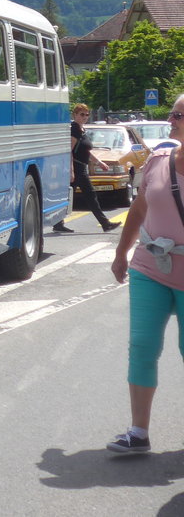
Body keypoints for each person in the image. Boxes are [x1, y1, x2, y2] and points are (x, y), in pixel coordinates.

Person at [107, 95, 184, 455]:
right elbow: (139, 210)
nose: (171, 120)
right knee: (142, 347)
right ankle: (138, 432)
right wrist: (121, 252)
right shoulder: (158, 160)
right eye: (172, 113)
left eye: (178, 115)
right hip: (150, 267)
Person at [59, 103, 121, 233]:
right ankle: (105, 223)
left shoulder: (81, 129)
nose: (85, 117)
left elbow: (86, 151)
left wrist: (99, 162)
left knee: (70, 196)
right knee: (89, 195)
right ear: (75, 115)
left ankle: (58, 223)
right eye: (81, 114)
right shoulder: (74, 129)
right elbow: (69, 150)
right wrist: (71, 171)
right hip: (77, 167)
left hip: (81, 167)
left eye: (87, 114)